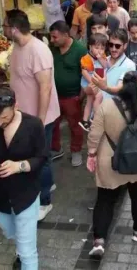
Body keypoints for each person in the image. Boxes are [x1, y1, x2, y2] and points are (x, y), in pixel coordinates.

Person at [86, 71, 137, 256]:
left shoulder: (107, 106)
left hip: (111, 160)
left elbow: (94, 134)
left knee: (105, 199)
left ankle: (99, 241)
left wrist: (91, 154)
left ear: (121, 87)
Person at [0, 86, 49, 270]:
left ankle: (24, 252)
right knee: (12, 233)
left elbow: (41, 158)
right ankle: (21, 247)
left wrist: (19, 166)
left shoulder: (33, 125)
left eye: (4, 117)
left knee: (28, 252)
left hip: (26, 196)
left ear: (16, 106)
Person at [4, 9, 60, 220]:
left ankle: (44, 201)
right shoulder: (18, 46)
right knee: (41, 156)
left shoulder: (38, 51)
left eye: (5, 26)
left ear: (15, 29)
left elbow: (44, 88)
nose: (4, 30)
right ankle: (49, 184)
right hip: (25, 115)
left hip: (38, 118)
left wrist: (40, 120)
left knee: (40, 159)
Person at [49, 21, 88, 165]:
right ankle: (55, 149)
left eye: (55, 37)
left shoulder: (80, 50)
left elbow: (86, 75)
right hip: (54, 96)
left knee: (75, 126)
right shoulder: (52, 49)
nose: (52, 40)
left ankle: (76, 151)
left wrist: (81, 96)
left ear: (65, 35)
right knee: (52, 124)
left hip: (73, 97)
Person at [79, 33, 109, 132]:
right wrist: (93, 82)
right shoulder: (86, 58)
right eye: (96, 47)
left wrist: (100, 58)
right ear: (90, 46)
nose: (99, 50)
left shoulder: (103, 56)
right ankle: (90, 119)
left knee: (92, 100)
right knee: (94, 99)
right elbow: (84, 72)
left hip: (98, 82)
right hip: (90, 82)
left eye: (102, 48)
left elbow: (106, 66)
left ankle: (88, 120)